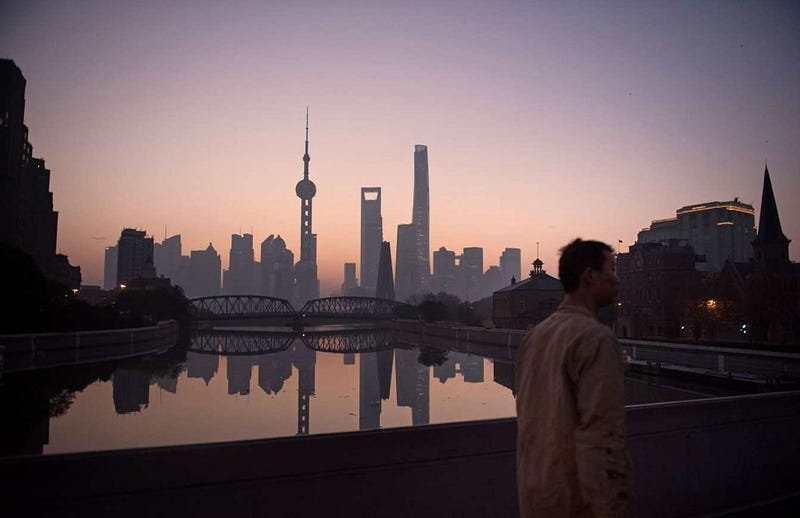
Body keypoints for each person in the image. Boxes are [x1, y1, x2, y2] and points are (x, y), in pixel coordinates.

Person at [515, 238, 634, 517]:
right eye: (611, 268)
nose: (616, 279)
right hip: (578, 503)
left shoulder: (534, 337)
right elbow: (602, 440)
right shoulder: (596, 338)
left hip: (536, 497)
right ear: (590, 276)